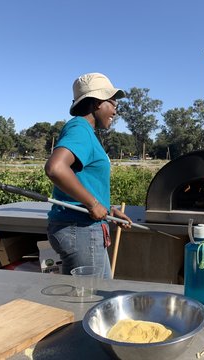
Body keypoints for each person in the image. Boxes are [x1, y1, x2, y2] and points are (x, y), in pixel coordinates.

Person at [45, 72, 132, 279]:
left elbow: (82, 180)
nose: (115, 110)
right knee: (88, 301)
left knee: (100, 294)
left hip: (83, 229)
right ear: (97, 103)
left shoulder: (84, 131)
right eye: (113, 103)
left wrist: (107, 208)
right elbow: (55, 168)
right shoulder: (79, 129)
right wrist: (93, 204)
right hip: (80, 230)